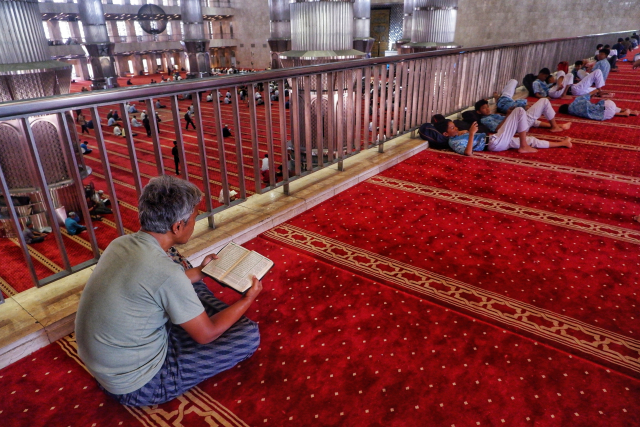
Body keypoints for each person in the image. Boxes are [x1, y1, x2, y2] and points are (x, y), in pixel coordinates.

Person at [75, 175, 262, 407]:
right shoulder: (167, 273)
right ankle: (202, 309)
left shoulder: (120, 243)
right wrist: (247, 299)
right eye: (195, 218)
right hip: (139, 385)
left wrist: (202, 271)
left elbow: (155, 281)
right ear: (177, 226)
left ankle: (195, 300)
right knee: (247, 335)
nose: (196, 222)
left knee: (185, 273)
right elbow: (206, 335)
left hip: (109, 362)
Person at [474, 98, 569, 133]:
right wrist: (508, 115)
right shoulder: (485, 120)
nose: (487, 109)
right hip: (517, 127)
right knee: (544, 101)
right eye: (483, 108)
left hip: (518, 123)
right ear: (478, 112)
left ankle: (557, 126)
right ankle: (555, 126)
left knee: (532, 119)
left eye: (487, 107)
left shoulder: (493, 115)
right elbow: (498, 129)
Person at [559, 95, 638, 121]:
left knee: (607, 110)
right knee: (604, 107)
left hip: (607, 114)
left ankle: (625, 113)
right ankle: (626, 111)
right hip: (609, 105)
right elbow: (585, 101)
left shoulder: (574, 112)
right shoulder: (574, 105)